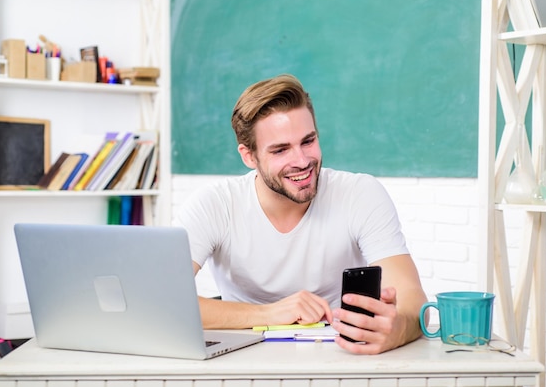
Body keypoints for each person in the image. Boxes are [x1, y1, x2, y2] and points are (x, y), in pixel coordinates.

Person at [174, 74, 428, 354]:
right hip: (241, 362)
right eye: (281, 150)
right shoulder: (214, 204)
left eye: (308, 141)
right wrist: (270, 314)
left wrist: (398, 329)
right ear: (249, 156)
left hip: (339, 358)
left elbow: (412, 298)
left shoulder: (359, 193)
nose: (302, 161)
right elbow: (162, 300)